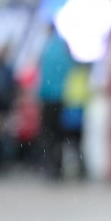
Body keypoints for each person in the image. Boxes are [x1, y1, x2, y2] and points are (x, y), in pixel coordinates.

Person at [36, 27, 74, 179]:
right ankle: (58, 167)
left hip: (48, 97)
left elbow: (42, 74)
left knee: (48, 135)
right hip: (62, 98)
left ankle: (50, 166)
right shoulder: (63, 48)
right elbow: (69, 69)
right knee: (59, 136)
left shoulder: (47, 48)